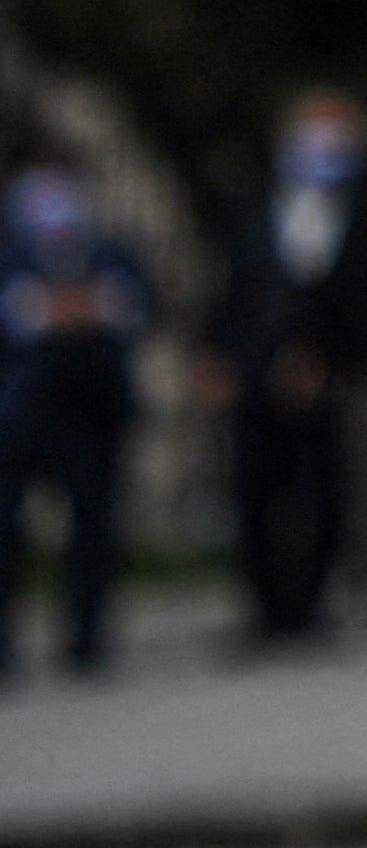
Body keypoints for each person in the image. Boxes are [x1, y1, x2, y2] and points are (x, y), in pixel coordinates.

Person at [201, 88, 367, 646]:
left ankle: (318, 597)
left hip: (333, 370)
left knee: (330, 489)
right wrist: (218, 355)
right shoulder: (255, 210)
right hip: (258, 369)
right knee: (255, 490)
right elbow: (230, 289)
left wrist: (322, 357)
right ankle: (268, 609)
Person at [0, 165, 155, 685]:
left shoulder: (112, 253)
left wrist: (94, 307)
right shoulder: (9, 256)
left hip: (91, 412)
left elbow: (144, 306)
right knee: (6, 530)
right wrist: (45, 311)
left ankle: (87, 640)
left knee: (93, 527)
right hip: (18, 415)